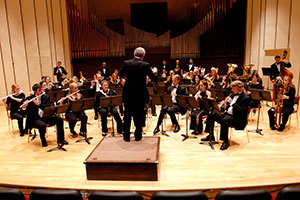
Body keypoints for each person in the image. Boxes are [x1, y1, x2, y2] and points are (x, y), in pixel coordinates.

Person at [118, 47, 155, 142]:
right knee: (139, 114)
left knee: (127, 114)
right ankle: (138, 135)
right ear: (143, 56)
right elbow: (154, 78)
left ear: (134, 55)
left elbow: (119, 74)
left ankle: (126, 136)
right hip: (140, 93)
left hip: (128, 92)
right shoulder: (145, 65)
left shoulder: (127, 63)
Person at [201, 80, 250, 150]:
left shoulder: (245, 98)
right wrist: (224, 105)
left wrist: (232, 102)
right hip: (228, 114)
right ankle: (211, 135)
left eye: (233, 88)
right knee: (212, 114)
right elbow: (229, 108)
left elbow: (241, 111)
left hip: (237, 118)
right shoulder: (233, 95)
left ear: (239, 88)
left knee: (224, 121)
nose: (232, 89)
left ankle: (225, 141)